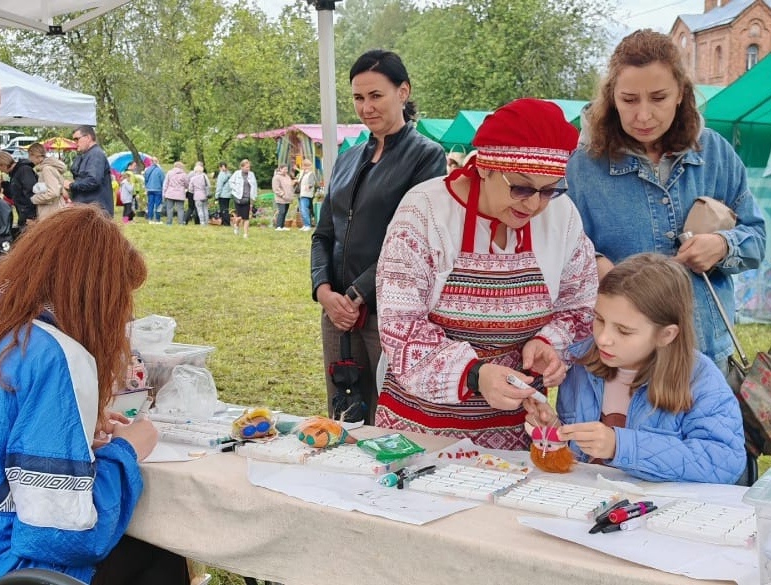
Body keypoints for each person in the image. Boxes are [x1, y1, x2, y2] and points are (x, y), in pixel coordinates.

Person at [0, 205, 190, 585]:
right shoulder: (54, 353)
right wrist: (125, 451)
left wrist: (72, 433)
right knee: (159, 557)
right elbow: (62, 535)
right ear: (96, 298)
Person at [374, 98, 598, 449]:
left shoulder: (562, 216)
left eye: (549, 190)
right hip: (423, 433)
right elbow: (400, 328)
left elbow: (580, 306)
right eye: (520, 188)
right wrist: (475, 375)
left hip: (518, 433)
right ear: (484, 168)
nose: (534, 204)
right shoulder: (425, 213)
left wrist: (548, 342)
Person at [566, 29, 766, 371]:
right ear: (611, 97)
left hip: (705, 354)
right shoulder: (582, 166)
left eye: (658, 98)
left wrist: (722, 246)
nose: (643, 115)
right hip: (621, 362)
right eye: (629, 100)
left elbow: (758, 241)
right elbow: (562, 254)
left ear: (681, 95)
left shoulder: (715, 152)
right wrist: (593, 265)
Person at [525, 253, 746, 484]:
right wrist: (555, 432)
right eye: (599, 320)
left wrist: (620, 446)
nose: (603, 339)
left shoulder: (700, 378)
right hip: (587, 505)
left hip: (657, 513)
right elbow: (582, 460)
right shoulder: (582, 364)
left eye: (623, 331)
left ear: (666, 334)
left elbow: (724, 462)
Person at [310, 49, 446, 424]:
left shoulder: (427, 157)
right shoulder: (348, 158)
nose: (366, 107)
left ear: (403, 92)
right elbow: (323, 233)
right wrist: (324, 291)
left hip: (390, 311)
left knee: (390, 416)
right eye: (358, 97)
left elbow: (414, 242)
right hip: (337, 313)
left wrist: (356, 295)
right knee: (344, 414)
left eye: (375, 96)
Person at [64, 125, 115, 216]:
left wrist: (71, 185)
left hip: (96, 213)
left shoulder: (96, 154)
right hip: (88, 210)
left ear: (88, 137)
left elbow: (93, 181)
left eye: (77, 139)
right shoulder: (86, 155)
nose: (75, 143)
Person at [0, 150, 38, 229]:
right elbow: (14, 194)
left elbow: (31, 194)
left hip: (30, 218)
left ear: (3, 164)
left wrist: (31, 217)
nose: (1, 171)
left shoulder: (24, 170)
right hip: (23, 216)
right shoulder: (15, 174)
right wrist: (3, 184)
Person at [27, 142, 68, 218]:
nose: (29, 159)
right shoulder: (48, 168)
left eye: (29, 156)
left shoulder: (47, 169)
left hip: (51, 213)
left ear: (34, 155)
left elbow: (53, 193)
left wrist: (35, 199)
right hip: (54, 210)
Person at [229, 159, 257, 239]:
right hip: (238, 198)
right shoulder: (236, 173)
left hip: (247, 198)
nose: (248, 169)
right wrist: (235, 189)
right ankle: (236, 225)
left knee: (246, 217)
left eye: (249, 167)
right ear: (242, 167)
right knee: (239, 217)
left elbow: (254, 186)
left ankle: (245, 234)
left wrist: (253, 198)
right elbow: (230, 182)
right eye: (246, 167)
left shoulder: (251, 174)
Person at [272, 164, 294, 230]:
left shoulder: (287, 176)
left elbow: (290, 186)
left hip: (287, 198)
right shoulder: (276, 177)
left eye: (286, 169)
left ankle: (282, 226)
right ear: (280, 169)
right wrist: (282, 194)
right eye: (284, 169)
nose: (285, 170)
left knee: (285, 212)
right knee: (281, 211)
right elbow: (276, 188)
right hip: (280, 198)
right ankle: (278, 226)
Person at [297, 159, 316, 231]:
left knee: (304, 210)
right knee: (302, 210)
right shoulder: (303, 173)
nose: (303, 167)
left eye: (305, 166)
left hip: (306, 194)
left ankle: (308, 225)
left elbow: (313, 182)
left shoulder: (311, 173)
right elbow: (299, 181)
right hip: (301, 194)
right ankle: (305, 225)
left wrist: (309, 186)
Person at [144, 157, 164, 223]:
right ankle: (157, 219)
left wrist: (147, 186)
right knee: (158, 204)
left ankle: (150, 218)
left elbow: (145, 179)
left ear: (151, 162)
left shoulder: (147, 170)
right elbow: (163, 180)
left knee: (150, 204)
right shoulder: (160, 170)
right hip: (158, 189)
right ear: (157, 161)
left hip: (149, 189)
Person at [215, 162, 232, 227]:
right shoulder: (229, 174)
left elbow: (219, 186)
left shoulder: (221, 175)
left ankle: (226, 223)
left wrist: (217, 195)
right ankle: (224, 222)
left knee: (223, 209)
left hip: (222, 194)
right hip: (228, 194)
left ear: (220, 167)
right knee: (226, 209)